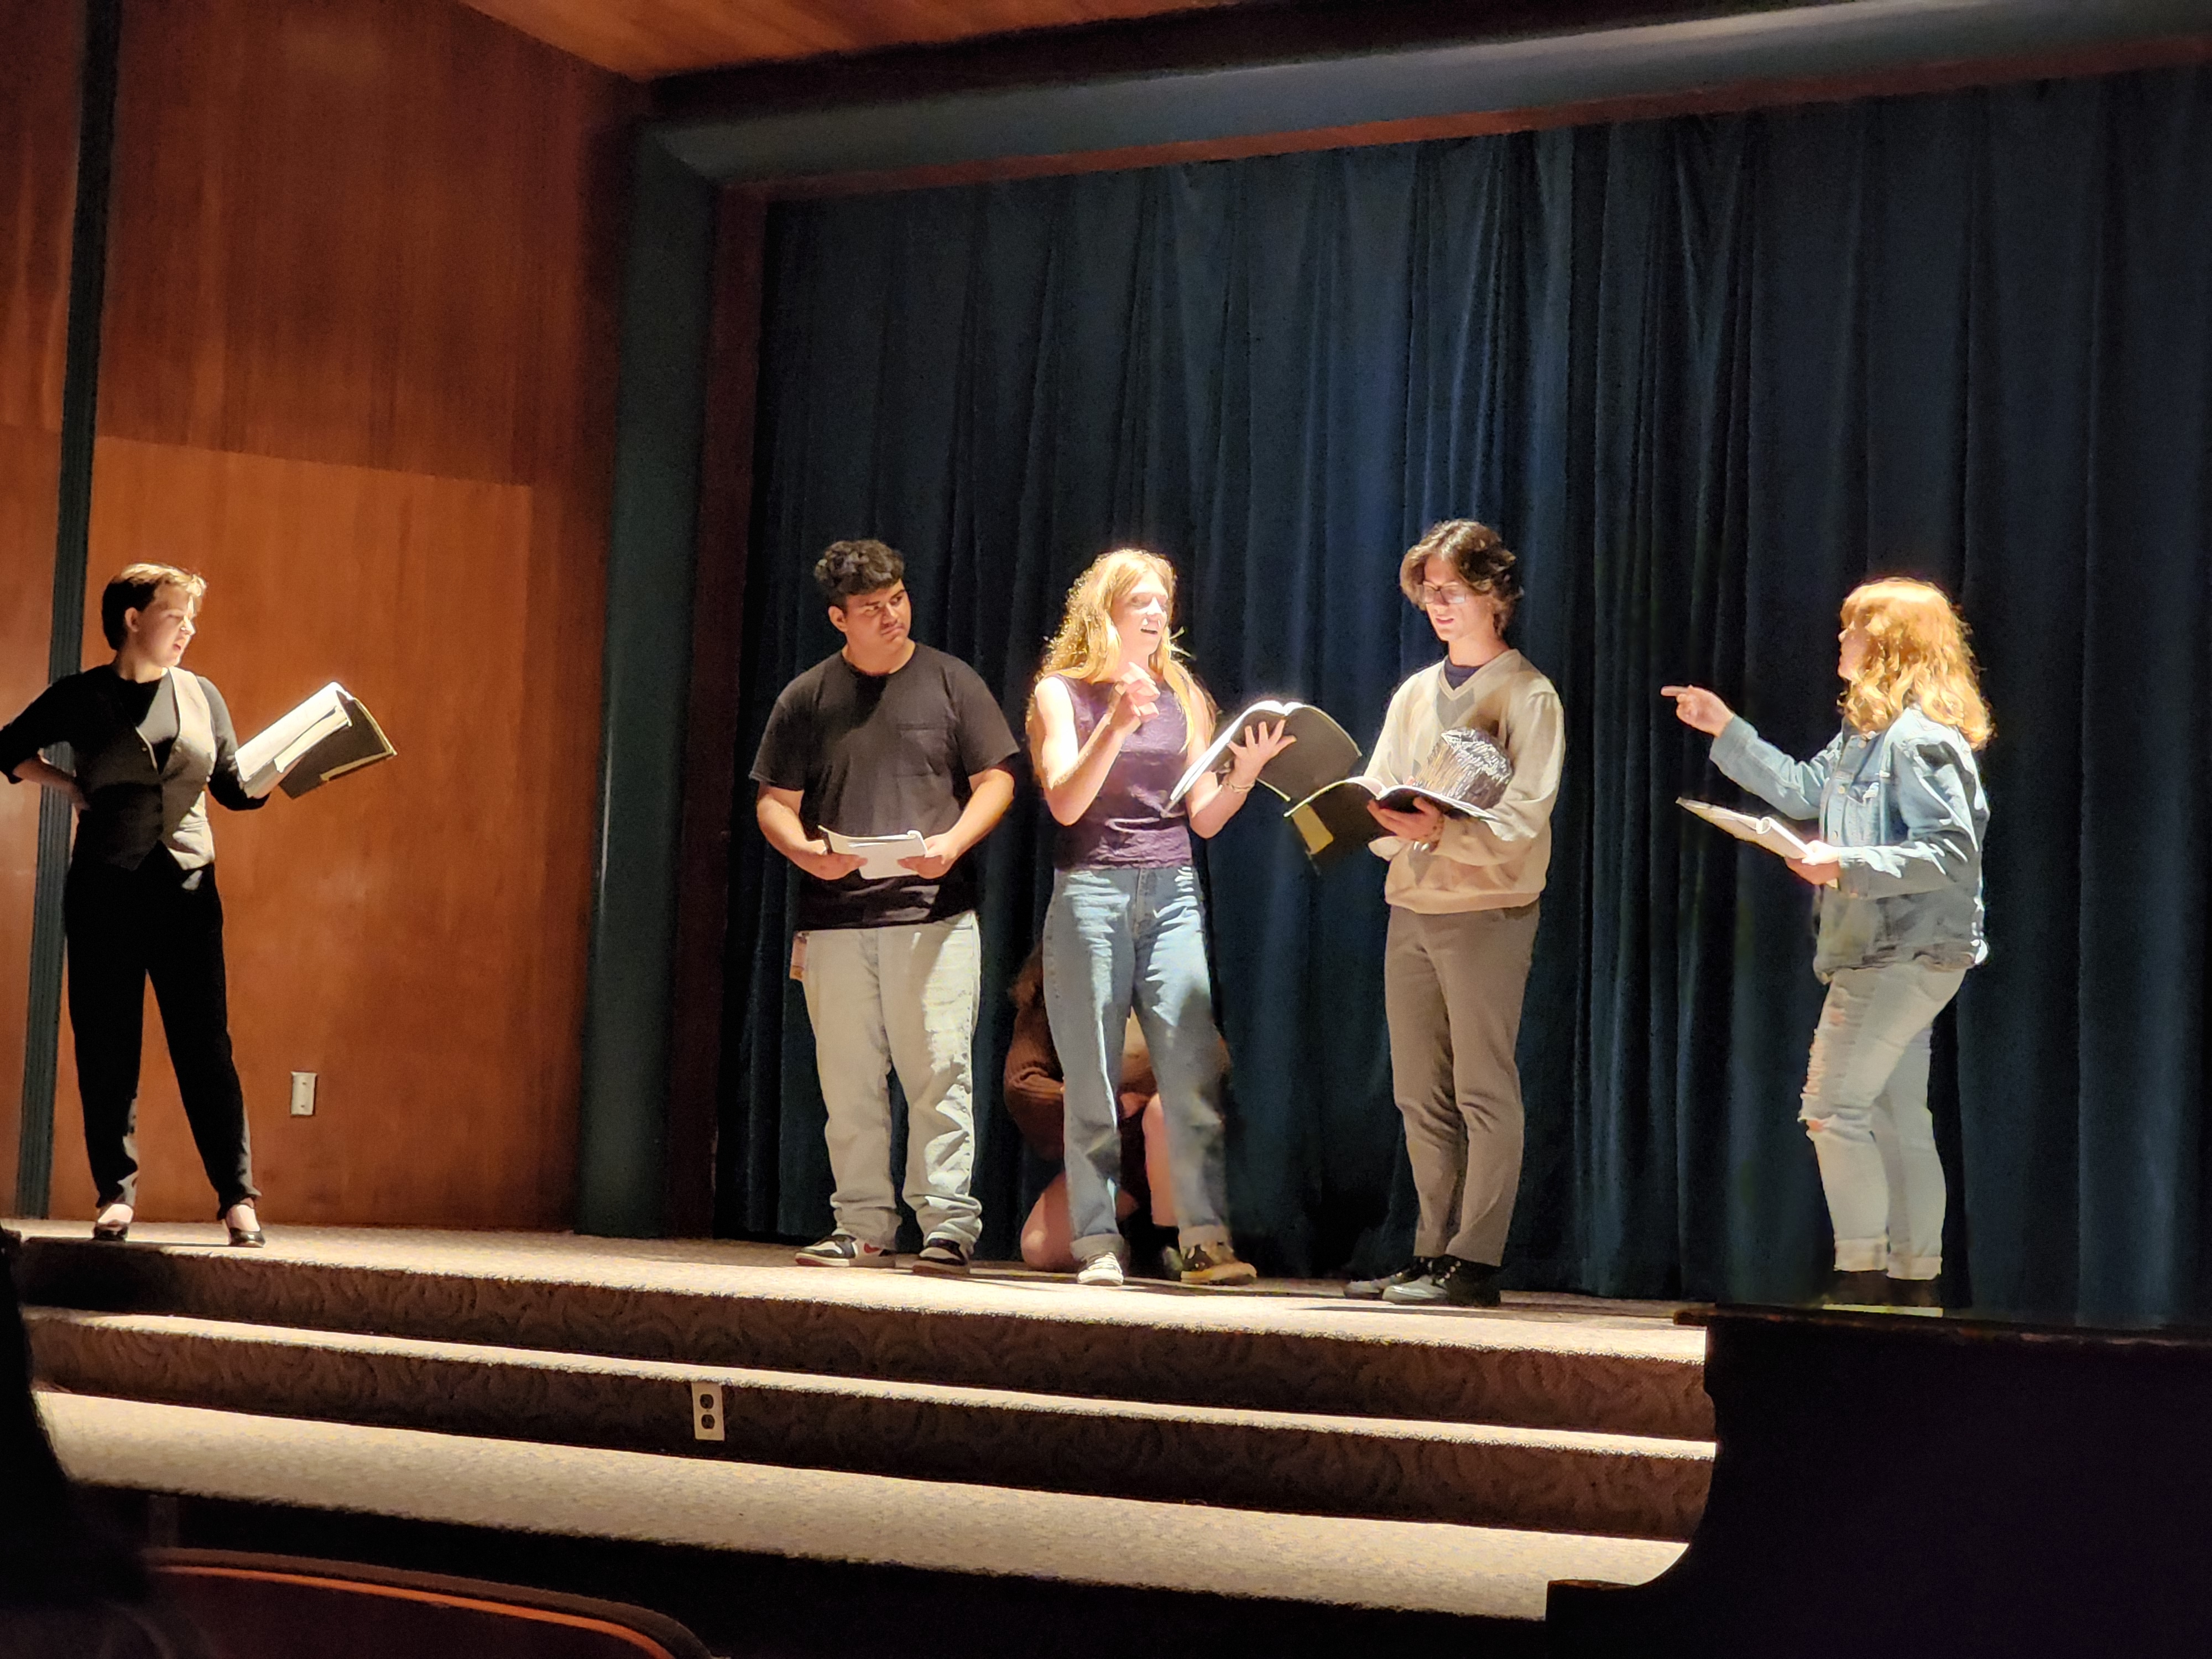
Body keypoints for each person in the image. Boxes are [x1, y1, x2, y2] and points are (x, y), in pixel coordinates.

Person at [1664, 578, 1991, 1309]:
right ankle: (1914, 1286)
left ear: (1888, 645)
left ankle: (1861, 1281)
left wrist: (1843, 864)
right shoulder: (1866, 735)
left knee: (1832, 1107)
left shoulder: (1921, 740)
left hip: (1901, 951)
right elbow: (1805, 791)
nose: (1839, 642)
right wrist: (1725, 729)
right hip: (1880, 948)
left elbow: (1952, 855)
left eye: (1853, 630)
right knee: (1892, 1112)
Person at [753, 539, 1019, 1276]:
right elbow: (774, 803)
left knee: (940, 1071)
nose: (892, 615)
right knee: (849, 1078)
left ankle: (947, 1226)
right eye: (873, 608)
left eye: (898, 599)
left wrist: (955, 842)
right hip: (837, 918)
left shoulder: (949, 682)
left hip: (933, 911)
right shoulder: (808, 697)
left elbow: (996, 778)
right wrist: (806, 852)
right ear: (840, 618)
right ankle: (863, 1223)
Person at [1027, 546, 1289, 1289]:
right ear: (1104, 609)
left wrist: (1244, 772)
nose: (1155, 613)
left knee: (1190, 1071)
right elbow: (1066, 803)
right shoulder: (1062, 693)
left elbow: (1202, 820)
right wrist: (1114, 723)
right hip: (1091, 893)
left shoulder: (1183, 694)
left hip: (1172, 888)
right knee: (1093, 1078)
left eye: (1162, 602)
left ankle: (1205, 1239)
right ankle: (1097, 1241)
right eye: (1140, 600)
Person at [0, 565, 268, 1246]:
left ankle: (237, 1197)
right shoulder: (81, 696)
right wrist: (67, 784)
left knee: (206, 1046)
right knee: (107, 1043)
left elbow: (235, 790)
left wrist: (288, 761)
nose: (188, 630)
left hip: (188, 892)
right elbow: (6, 748)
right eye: (176, 616)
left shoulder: (203, 694)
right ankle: (115, 1194)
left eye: (190, 619)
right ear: (132, 619)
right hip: (104, 892)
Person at [1346, 521, 1564, 1308]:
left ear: (1495, 594)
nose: (1439, 606)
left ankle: (1476, 1259)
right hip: (1413, 904)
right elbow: (1381, 790)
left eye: (1454, 591)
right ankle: (1431, 1248)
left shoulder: (1526, 694)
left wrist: (1444, 829)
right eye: (1428, 594)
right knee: (1418, 1091)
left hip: (1488, 912)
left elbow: (1525, 818)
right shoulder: (1415, 693)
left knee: (1481, 1086)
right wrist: (1385, 825)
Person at [1001, 951, 1182, 1275]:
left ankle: (1182, 1239)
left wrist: (1118, 1092)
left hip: (1171, 1142)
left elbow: (1208, 1062)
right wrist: (1102, 1103)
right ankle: (1131, 1249)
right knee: (1041, 1248)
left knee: (1165, 1113)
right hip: (1113, 1148)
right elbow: (1023, 1085)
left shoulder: (1162, 972)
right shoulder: (1054, 987)